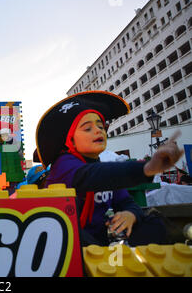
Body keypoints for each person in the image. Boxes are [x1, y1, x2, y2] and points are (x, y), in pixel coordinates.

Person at [35, 91, 183, 246]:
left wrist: (130, 214)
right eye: (88, 129)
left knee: (153, 223)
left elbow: (126, 201)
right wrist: (146, 168)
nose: (99, 131)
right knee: (74, 234)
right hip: (67, 243)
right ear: (70, 139)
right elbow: (93, 176)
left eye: (101, 126)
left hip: (101, 240)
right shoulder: (64, 164)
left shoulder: (101, 168)